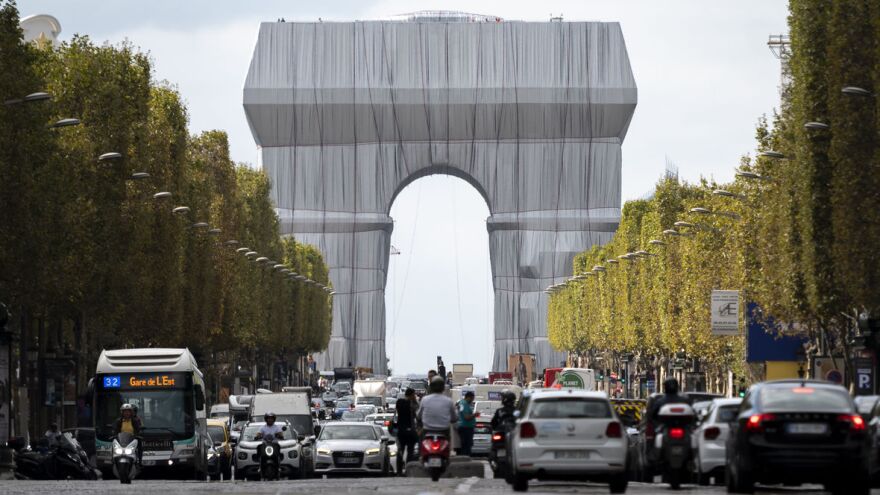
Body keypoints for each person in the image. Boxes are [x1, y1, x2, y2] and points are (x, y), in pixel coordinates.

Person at [393, 388, 418, 474]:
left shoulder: (399, 402)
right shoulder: (412, 404)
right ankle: (408, 469)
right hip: (410, 431)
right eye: (414, 395)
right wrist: (415, 401)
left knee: (400, 450)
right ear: (411, 395)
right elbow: (417, 415)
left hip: (400, 431)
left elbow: (396, 413)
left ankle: (399, 471)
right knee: (410, 451)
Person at [456, 391, 476, 456]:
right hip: (465, 428)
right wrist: (475, 415)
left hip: (466, 427)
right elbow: (466, 417)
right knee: (466, 445)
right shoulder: (464, 404)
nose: (472, 400)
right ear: (468, 397)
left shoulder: (464, 404)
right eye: (472, 399)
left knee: (467, 445)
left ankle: (466, 456)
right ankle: (465, 457)